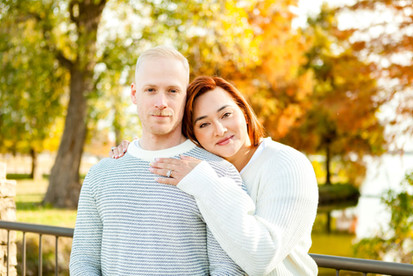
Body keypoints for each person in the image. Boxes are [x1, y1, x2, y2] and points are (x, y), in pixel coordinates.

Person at [112, 76, 319, 275]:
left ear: (244, 113)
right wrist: (137, 152)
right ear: (193, 135)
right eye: (204, 124)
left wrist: (205, 183)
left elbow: (261, 259)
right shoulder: (202, 167)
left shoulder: (286, 164)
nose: (219, 130)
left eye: (226, 115)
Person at [69, 47, 245, 275]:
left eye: (172, 91)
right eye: (150, 90)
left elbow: (227, 269)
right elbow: (84, 260)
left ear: (185, 98)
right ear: (134, 94)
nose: (161, 102)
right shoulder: (101, 174)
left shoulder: (220, 173)